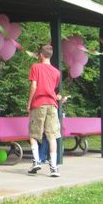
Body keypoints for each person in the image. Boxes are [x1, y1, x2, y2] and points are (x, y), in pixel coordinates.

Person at [26, 45, 64, 177]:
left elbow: (34, 86)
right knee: (52, 136)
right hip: (52, 106)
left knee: (33, 134)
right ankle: (54, 168)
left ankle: (36, 161)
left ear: (41, 55)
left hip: (39, 104)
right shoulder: (56, 72)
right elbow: (52, 90)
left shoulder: (35, 67)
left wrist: (29, 103)